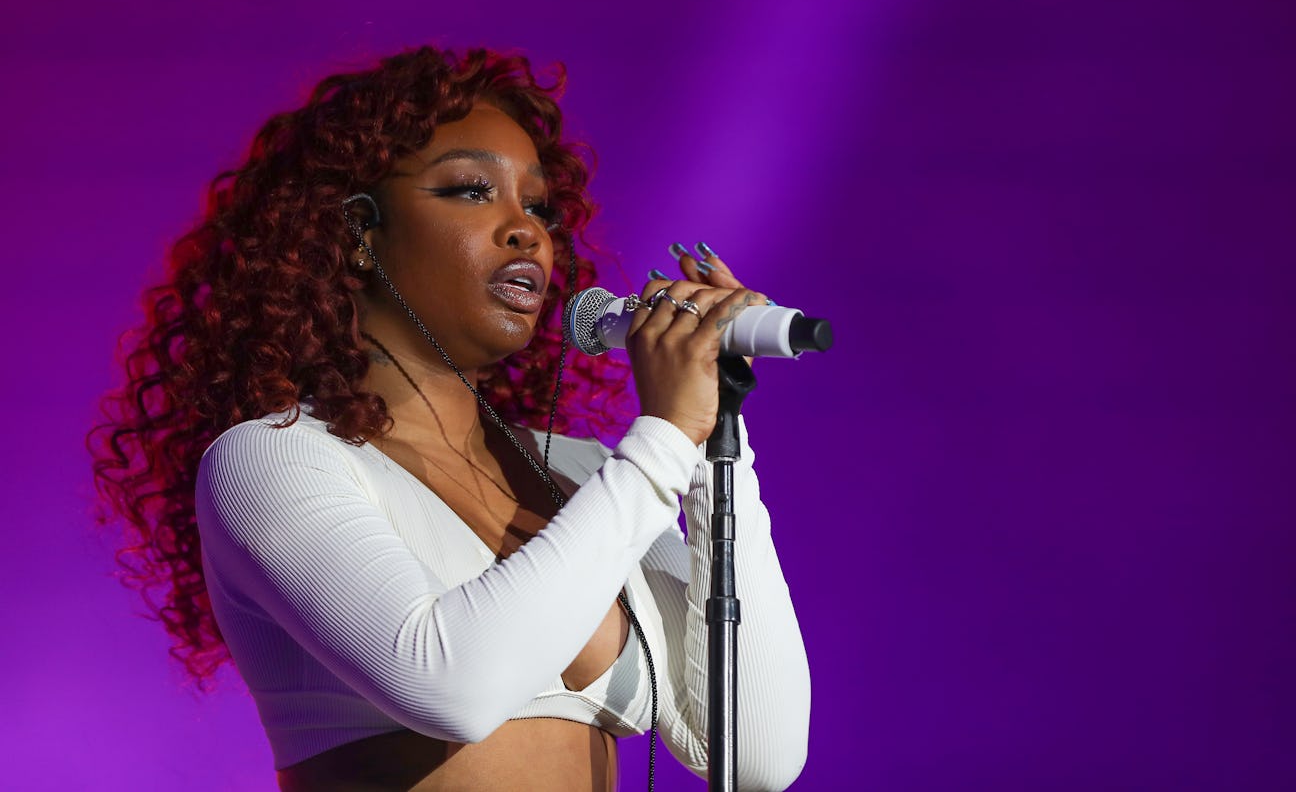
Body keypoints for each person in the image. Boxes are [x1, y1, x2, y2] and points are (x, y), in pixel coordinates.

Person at [90, 46, 810, 791]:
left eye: (538, 207)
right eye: (472, 191)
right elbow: (452, 687)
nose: (526, 231)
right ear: (359, 232)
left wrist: (711, 444)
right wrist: (659, 442)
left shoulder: (588, 473)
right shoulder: (270, 460)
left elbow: (757, 751)